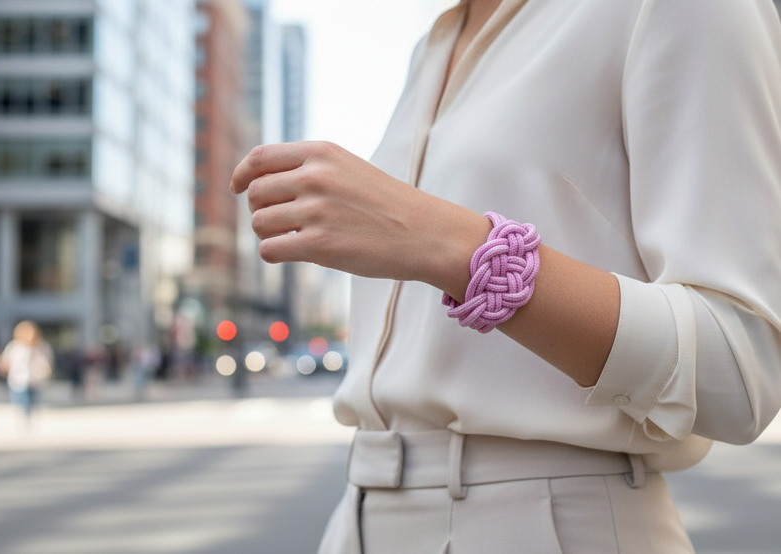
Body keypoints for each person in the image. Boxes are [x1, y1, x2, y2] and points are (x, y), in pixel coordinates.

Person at [231, 0, 781, 552]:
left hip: (548, 524)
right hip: (359, 515)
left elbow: (739, 368)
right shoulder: (433, 46)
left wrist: (455, 247)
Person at [0, 321, 53, 421]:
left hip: (34, 380)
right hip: (18, 380)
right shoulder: (15, 347)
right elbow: (5, 361)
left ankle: (29, 419)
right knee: (21, 402)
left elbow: (47, 361)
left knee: (32, 402)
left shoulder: (41, 347)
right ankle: (23, 419)